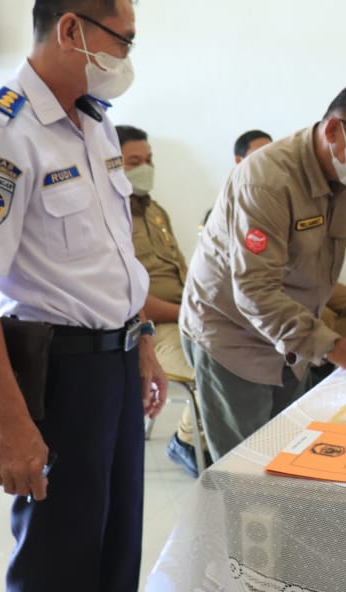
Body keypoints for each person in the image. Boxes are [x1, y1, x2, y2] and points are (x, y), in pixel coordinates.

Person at [0, 0, 166, 592]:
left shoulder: (95, 121)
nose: (126, 56)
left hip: (116, 364)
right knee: (58, 563)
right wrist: (11, 424)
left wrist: (143, 341)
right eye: (121, 39)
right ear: (71, 30)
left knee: (115, 548)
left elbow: (113, 254)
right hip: (59, 377)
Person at [181, 81, 346, 461]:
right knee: (243, 468)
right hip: (233, 334)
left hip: (292, 329)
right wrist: (333, 346)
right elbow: (254, 289)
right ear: (333, 131)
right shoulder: (266, 181)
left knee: (287, 455)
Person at [236, 128, 346, 373]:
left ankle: (320, 360)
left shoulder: (334, 180)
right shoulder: (256, 189)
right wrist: (331, 346)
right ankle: (321, 357)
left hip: (306, 277)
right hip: (268, 291)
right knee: (322, 320)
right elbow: (254, 285)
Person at [115, 123, 209, 477]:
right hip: (153, 327)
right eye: (134, 162)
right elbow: (132, 297)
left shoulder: (155, 211)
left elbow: (184, 270)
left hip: (187, 314)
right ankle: (187, 441)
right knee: (211, 365)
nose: (146, 168)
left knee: (249, 348)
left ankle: (218, 438)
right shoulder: (111, 217)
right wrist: (187, 312)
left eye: (149, 160)